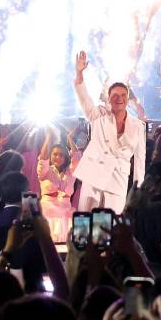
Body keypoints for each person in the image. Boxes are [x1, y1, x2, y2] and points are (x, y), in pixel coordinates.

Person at [72, 50, 146, 213]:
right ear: (108, 98)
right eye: (115, 95)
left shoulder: (138, 126)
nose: (119, 98)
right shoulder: (98, 115)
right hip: (94, 177)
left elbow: (140, 161)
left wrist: (138, 190)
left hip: (118, 180)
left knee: (109, 228)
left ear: (128, 98)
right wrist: (79, 73)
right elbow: (84, 99)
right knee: (86, 224)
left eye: (123, 95)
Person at [36, 129, 81, 243]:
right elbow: (43, 158)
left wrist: (70, 139)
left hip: (65, 214)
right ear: (50, 156)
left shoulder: (70, 173)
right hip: (48, 213)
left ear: (66, 157)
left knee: (66, 245)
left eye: (61, 155)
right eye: (55, 154)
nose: (58, 157)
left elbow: (76, 158)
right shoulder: (45, 171)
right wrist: (48, 138)